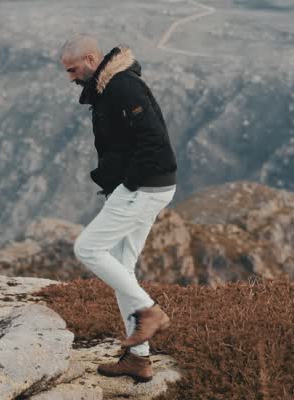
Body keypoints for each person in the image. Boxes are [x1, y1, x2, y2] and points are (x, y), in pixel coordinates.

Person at [60, 35, 178, 383]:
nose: (70, 77)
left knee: (88, 248)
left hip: (143, 187)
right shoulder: (109, 88)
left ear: (91, 58)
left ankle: (150, 311)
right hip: (145, 186)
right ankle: (138, 360)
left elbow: (154, 141)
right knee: (122, 267)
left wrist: (127, 186)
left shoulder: (123, 87)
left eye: (73, 69)